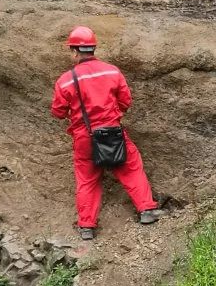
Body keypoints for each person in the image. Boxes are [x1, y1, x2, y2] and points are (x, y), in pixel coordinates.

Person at [51, 26, 163, 240]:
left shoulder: (65, 80)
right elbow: (126, 101)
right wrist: (113, 115)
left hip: (84, 137)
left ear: (75, 51)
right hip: (112, 132)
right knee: (130, 167)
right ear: (93, 48)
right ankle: (147, 210)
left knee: (87, 180)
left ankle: (86, 227)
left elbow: (57, 112)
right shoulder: (112, 71)